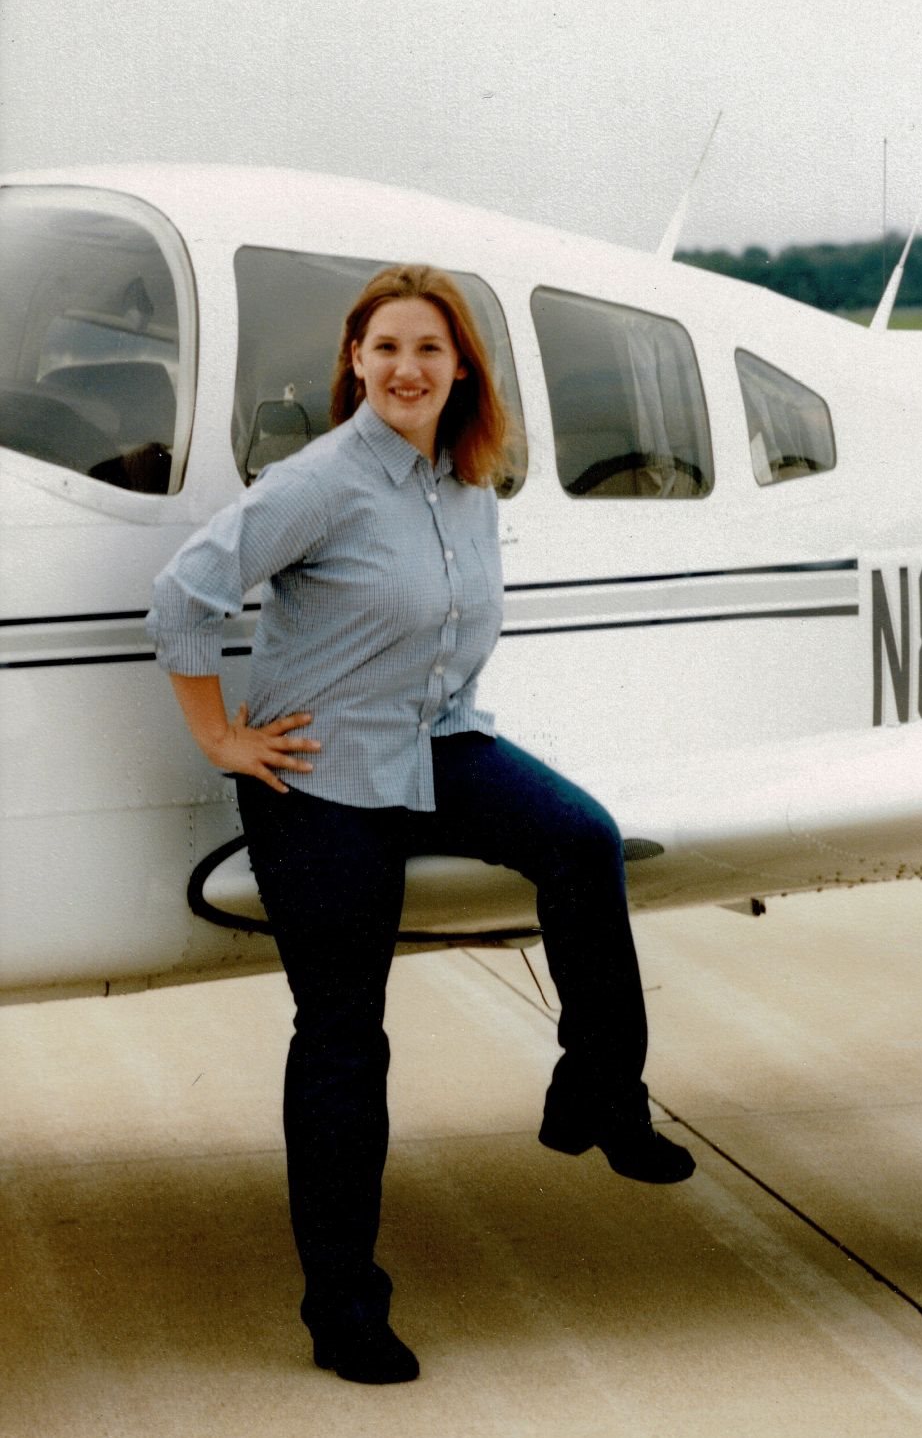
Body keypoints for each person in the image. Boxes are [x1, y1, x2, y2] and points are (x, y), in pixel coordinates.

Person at [147, 265, 694, 1386]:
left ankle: (600, 1092)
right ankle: (342, 1305)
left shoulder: (466, 482)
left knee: (584, 842)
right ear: (355, 361)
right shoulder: (323, 481)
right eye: (386, 347)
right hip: (326, 770)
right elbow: (186, 592)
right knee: (345, 1033)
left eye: (429, 350)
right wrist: (222, 739)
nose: (406, 368)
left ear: (460, 371)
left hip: (437, 739)